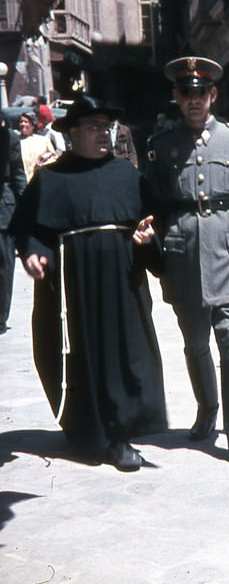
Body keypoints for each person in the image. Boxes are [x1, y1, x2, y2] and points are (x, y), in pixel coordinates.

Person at [10, 95, 167, 470]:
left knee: (122, 353)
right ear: (74, 132)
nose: (103, 134)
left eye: (106, 127)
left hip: (121, 283)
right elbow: (28, 229)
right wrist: (34, 253)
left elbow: (153, 221)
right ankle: (85, 428)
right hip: (72, 286)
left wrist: (149, 238)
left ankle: (120, 433)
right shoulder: (50, 178)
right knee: (80, 356)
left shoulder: (127, 174)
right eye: (95, 127)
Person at [143, 56, 229, 460]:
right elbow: (152, 203)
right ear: (176, 96)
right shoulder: (161, 146)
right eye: (186, 92)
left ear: (213, 94)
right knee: (195, 342)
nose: (193, 100)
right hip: (183, 255)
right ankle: (208, 409)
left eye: (201, 92)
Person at [1, 120, 27, 334]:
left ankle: (0, 317)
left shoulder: (9, 138)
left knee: (4, 266)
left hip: (4, 210)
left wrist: (28, 208)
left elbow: (18, 175)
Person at [18, 111, 57, 181]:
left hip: (39, 180)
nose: (22, 124)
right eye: (21, 122)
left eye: (26, 122)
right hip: (21, 181)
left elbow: (53, 158)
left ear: (32, 125)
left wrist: (44, 165)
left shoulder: (43, 141)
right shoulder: (15, 141)